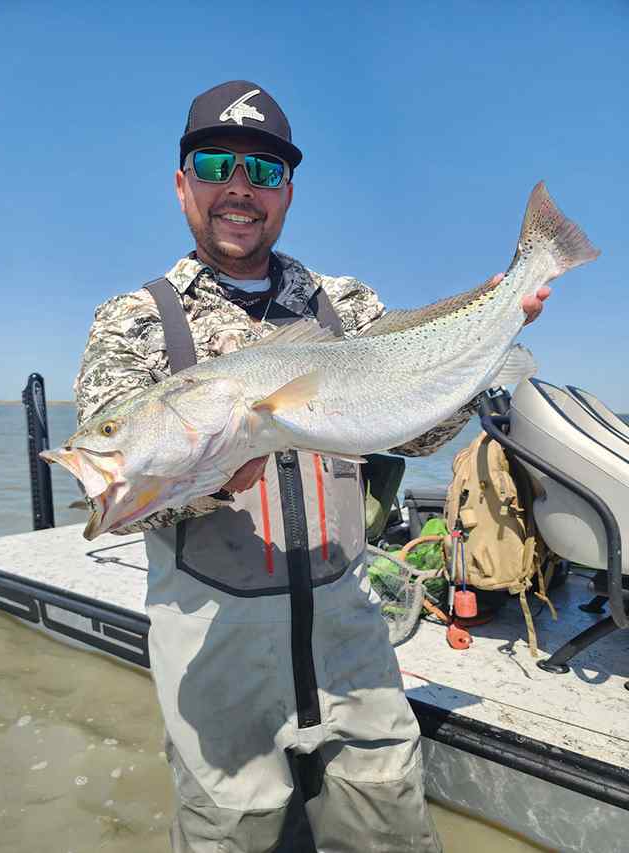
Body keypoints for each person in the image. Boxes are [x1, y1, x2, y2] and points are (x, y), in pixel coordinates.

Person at [75, 80, 550, 853]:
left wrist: (487, 344)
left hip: (352, 637)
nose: (238, 187)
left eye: (263, 171)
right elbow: (114, 490)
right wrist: (206, 481)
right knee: (233, 833)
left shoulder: (343, 304)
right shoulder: (135, 320)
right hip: (216, 651)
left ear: (288, 191)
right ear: (181, 182)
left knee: (389, 826)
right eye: (215, 163)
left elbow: (416, 437)